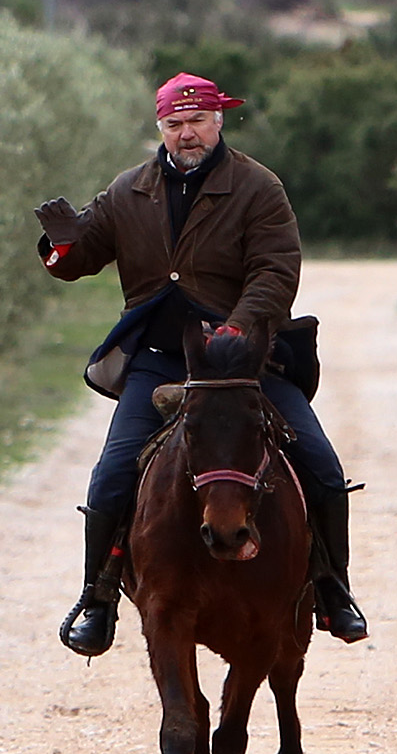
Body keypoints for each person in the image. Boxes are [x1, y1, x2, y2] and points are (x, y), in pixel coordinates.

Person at [34, 71, 369, 656]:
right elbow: (80, 256)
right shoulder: (128, 190)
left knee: (320, 465)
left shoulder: (260, 188)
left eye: (196, 121)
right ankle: (98, 596)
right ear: (159, 127)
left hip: (246, 363)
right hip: (160, 363)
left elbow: (275, 271)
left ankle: (331, 588)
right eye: (174, 124)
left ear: (219, 120)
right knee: (112, 476)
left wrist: (238, 330)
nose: (186, 133)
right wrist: (61, 244)